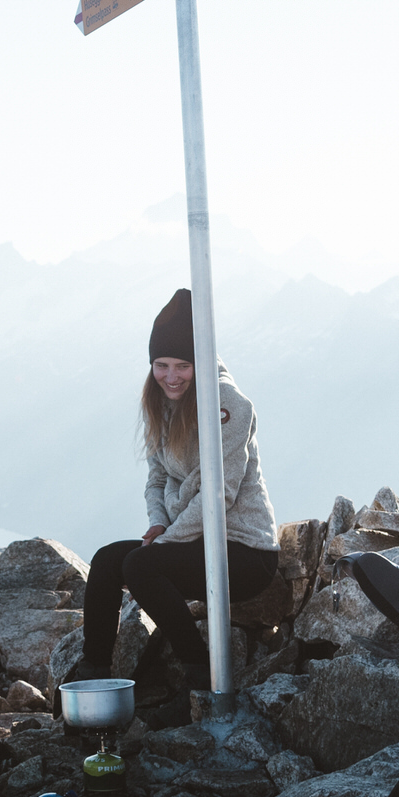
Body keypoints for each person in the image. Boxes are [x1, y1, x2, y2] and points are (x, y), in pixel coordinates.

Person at [74, 288, 280, 709]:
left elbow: (218, 495)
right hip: (194, 538)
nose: (171, 376)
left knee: (140, 564)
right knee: (108, 559)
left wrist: (164, 544)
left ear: (200, 362)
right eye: (161, 365)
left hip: (244, 550)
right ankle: (91, 675)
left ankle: (200, 674)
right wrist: (157, 524)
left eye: (183, 365)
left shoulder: (227, 404)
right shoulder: (162, 401)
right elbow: (156, 477)